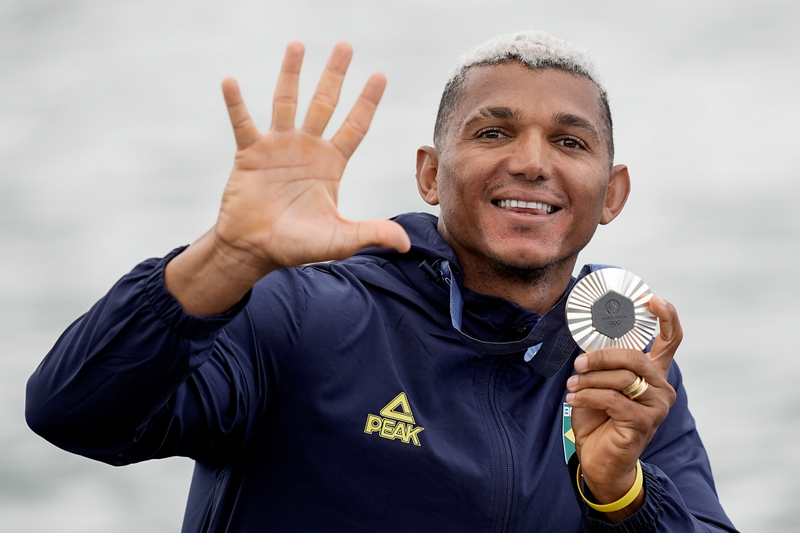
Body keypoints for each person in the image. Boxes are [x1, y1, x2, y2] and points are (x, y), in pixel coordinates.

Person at [26, 30, 737, 532]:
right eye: (492, 132)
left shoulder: (620, 374)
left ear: (612, 193)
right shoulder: (309, 314)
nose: (530, 161)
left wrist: (621, 494)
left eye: (569, 141)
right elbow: (73, 411)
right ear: (430, 173)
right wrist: (228, 256)